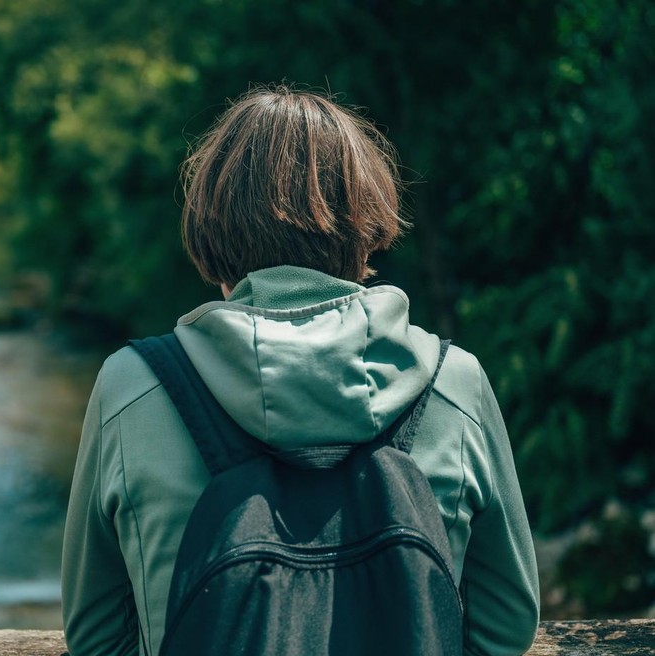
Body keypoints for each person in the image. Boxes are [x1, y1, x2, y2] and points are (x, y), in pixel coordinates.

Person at [62, 86, 540, 656]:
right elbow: (507, 623)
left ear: (213, 228)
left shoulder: (132, 385)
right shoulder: (453, 380)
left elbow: (94, 632)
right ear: (366, 222)